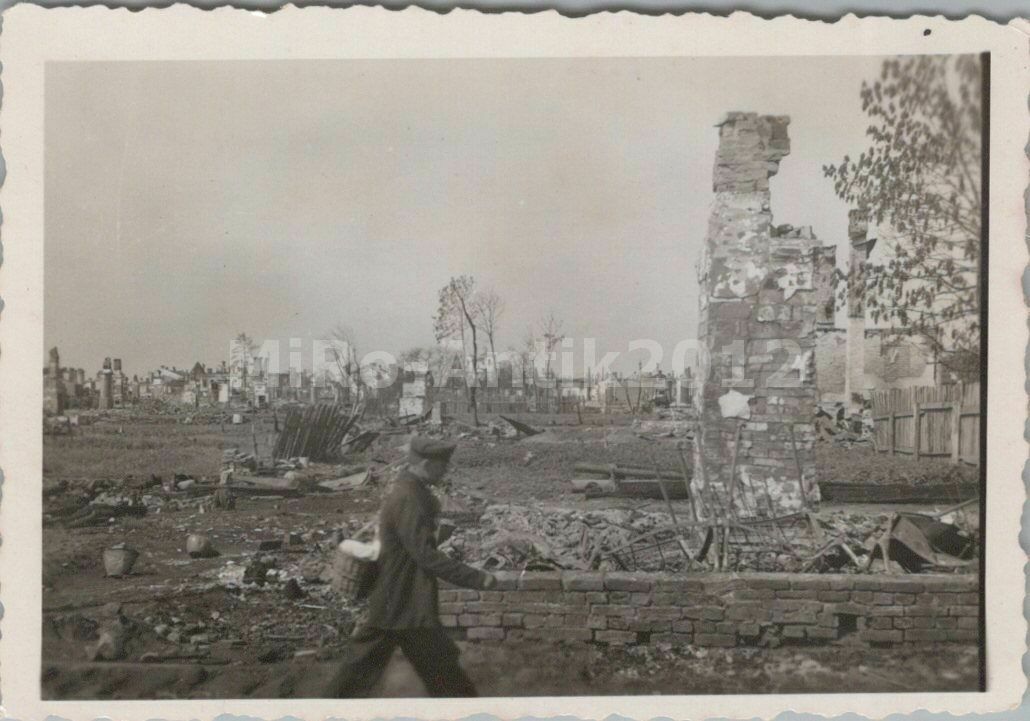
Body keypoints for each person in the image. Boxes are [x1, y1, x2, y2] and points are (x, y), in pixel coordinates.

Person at [328, 435, 496, 697]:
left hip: (401, 603)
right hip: (401, 601)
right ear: (428, 465)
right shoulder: (410, 498)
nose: (446, 471)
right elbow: (425, 554)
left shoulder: (411, 491)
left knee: (442, 675)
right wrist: (476, 578)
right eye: (443, 465)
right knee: (355, 678)